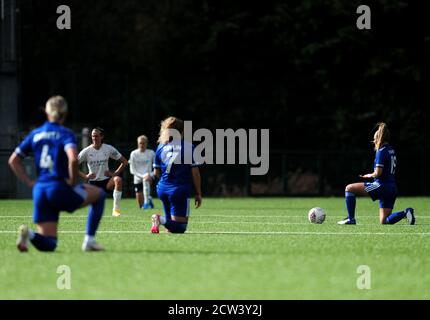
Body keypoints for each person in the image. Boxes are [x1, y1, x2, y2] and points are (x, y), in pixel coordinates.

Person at [9, 96, 105, 252]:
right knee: (99, 194)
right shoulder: (65, 133)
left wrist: (29, 182)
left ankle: (30, 234)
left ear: (47, 113)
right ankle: (89, 240)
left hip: (40, 190)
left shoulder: (36, 134)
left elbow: (13, 160)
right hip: (59, 188)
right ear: (65, 114)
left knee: (50, 243)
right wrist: (73, 182)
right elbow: (73, 159)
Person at [337, 122, 415, 225]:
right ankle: (405, 212)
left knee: (349, 188)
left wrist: (369, 175)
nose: (374, 141)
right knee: (384, 221)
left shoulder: (381, 151)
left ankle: (351, 219)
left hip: (381, 186)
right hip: (392, 188)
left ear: (379, 138)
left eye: (374, 139)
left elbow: (378, 173)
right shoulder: (391, 150)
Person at [150, 116, 202, 233]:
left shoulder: (160, 147)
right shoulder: (189, 147)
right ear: (182, 131)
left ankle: (161, 221)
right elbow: (195, 173)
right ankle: (159, 219)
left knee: (171, 228)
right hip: (179, 189)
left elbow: (156, 173)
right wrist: (198, 193)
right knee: (181, 228)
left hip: (162, 188)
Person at [78, 127, 128, 217]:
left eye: (96, 136)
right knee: (95, 211)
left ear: (102, 137)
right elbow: (71, 165)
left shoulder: (108, 148)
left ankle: (116, 210)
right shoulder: (86, 151)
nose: (94, 138)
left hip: (106, 182)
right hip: (93, 183)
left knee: (118, 180)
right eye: (93, 136)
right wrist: (85, 176)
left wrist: (114, 174)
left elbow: (124, 162)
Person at [129, 135, 155, 209]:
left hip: (148, 177)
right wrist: (142, 176)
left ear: (146, 143)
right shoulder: (133, 154)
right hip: (137, 178)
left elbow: (156, 167)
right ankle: (148, 198)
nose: (142, 145)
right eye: (140, 143)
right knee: (140, 204)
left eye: (144, 143)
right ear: (138, 143)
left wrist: (150, 175)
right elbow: (132, 170)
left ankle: (147, 203)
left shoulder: (151, 153)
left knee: (146, 180)